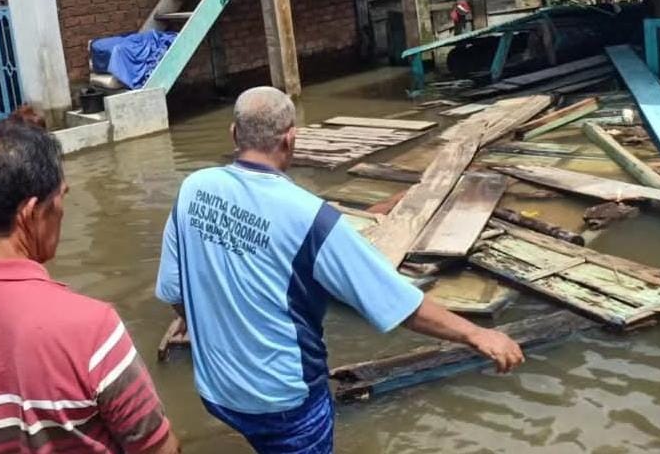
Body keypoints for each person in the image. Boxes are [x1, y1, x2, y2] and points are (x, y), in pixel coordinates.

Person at [155, 86, 525, 453]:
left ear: (234, 134)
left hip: (217, 391)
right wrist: (477, 334)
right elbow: (394, 302)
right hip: (286, 401)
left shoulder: (193, 189)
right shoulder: (311, 219)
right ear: (290, 139)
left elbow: (174, 292)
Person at [0, 123, 180, 453]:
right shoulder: (93, 328)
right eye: (61, 197)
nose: (62, 210)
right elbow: (158, 447)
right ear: (32, 213)